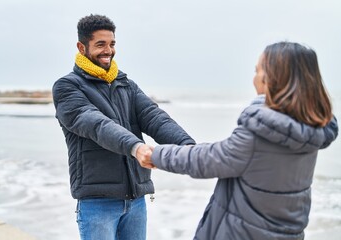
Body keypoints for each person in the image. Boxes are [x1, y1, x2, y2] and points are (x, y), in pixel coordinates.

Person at [138, 42, 339, 239]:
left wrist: (156, 154)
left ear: (273, 78)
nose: (254, 79)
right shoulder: (309, 126)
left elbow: (208, 160)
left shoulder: (262, 131)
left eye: (257, 71)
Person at [52, 14, 195, 240]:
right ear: (82, 47)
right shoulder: (67, 87)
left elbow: (154, 117)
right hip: (97, 203)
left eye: (112, 44)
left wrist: (189, 147)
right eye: (100, 44)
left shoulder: (125, 84)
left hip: (136, 201)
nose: (108, 50)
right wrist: (136, 147)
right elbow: (96, 124)